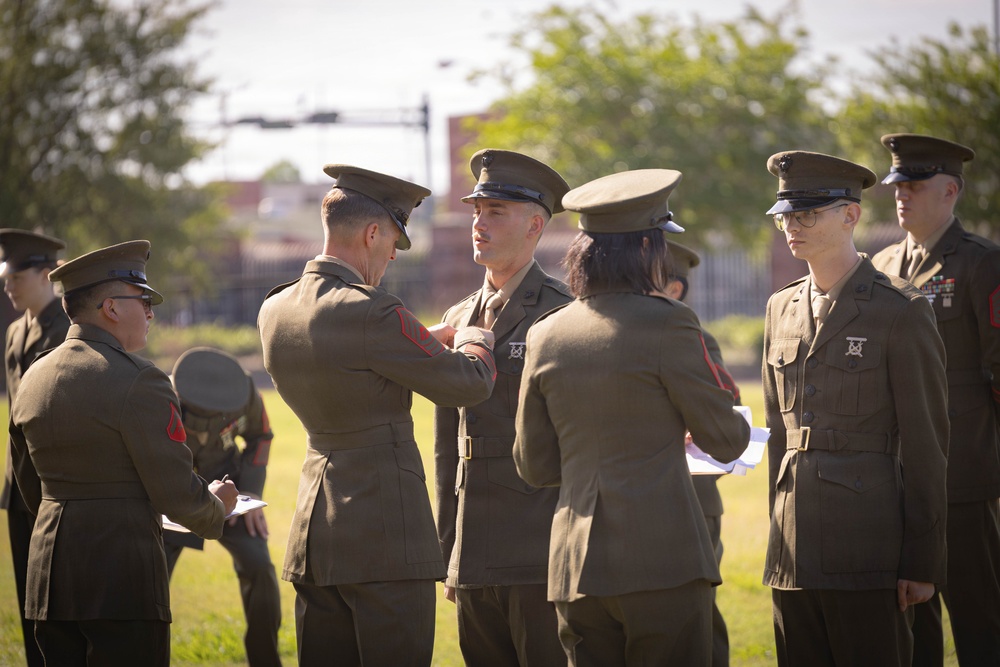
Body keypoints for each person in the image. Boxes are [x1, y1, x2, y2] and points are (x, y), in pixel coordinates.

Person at [257, 164, 498, 667]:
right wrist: (475, 339)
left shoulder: (275, 309)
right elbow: (467, 384)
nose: (392, 254)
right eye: (393, 240)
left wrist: (418, 343)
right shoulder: (373, 311)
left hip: (314, 533)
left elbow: (347, 361)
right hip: (384, 535)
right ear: (371, 233)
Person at [513, 168, 751, 666]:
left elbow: (533, 466)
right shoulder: (670, 322)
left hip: (574, 566)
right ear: (646, 250)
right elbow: (726, 441)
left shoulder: (547, 332)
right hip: (662, 563)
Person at [9, 240, 238, 667]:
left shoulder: (35, 376)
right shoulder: (141, 381)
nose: (151, 312)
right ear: (111, 308)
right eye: (143, 301)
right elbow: (176, 493)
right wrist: (218, 508)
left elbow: (28, 486)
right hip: (120, 576)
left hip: (48, 576)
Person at [761, 150, 949, 666]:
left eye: (807, 214)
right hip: (793, 547)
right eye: (786, 216)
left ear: (850, 214)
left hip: (868, 543)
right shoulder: (781, 306)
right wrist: (778, 536)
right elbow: (780, 434)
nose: (792, 227)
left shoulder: (901, 311)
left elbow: (927, 445)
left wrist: (923, 561)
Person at [434, 148, 571, 666]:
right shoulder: (459, 315)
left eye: (496, 213)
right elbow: (449, 442)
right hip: (474, 548)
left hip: (539, 548)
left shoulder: (561, 313)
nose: (478, 224)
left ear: (535, 225)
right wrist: (450, 548)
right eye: (476, 211)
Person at [870, 133, 1000, 667]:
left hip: (966, 472)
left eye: (916, 186)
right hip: (898, 473)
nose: (902, 196)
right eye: (898, 185)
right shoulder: (880, 267)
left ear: (951, 191)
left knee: (980, 618)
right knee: (909, 618)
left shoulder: (981, 264)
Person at [166, 346, 282, 667]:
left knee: (259, 566)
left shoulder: (243, 390)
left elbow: (261, 435)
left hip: (229, 495)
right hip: (176, 497)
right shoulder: (161, 398)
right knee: (150, 580)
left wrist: (249, 493)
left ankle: (266, 659)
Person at [662, 239, 740, 667]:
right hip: (659, 493)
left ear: (674, 290)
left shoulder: (694, 337)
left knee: (697, 614)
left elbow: (725, 401)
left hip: (696, 499)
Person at [0, 229, 70, 667]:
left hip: (51, 490)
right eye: (5, 276)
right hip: (16, 489)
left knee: (55, 610)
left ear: (46, 274)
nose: (7, 285)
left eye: (16, 276)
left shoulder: (67, 331)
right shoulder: (13, 332)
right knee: (28, 609)